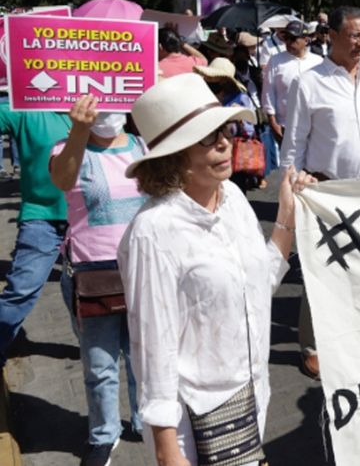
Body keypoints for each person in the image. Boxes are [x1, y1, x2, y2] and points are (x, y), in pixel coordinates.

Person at [117, 73, 314, 466]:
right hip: (197, 417)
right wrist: (166, 448)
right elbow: (153, 344)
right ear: (173, 154)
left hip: (252, 397)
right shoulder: (154, 231)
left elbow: (260, 284)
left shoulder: (233, 199)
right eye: (206, 137)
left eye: (224, 129)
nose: (224, 141)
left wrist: (288, 212)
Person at [282, 6, 360, 378]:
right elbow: (294, 142)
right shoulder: (310, 82)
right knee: (324, 269)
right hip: (326, 191)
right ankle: (314, 345)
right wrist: (291, 189)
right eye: (353, 35)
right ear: (331, 36)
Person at [48, 96, 146, 466]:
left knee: (142, 358)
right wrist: (79, 130)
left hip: (142, 272)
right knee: (100, 363)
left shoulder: (143, 146)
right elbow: (62, 179)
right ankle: (104, 434)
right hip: (93, 275)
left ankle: (145, 421)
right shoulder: (67, 147)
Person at [0, 103, 71, 368]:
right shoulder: (28, 110)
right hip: (42, 219)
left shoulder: (106, 111)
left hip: (92, 221)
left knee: (95, 297)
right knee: (21, 289)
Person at [194, 58, 263, 191]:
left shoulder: (239, 99)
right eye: (208, 78)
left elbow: (249, 130)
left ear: (224, 81)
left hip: (233, 154)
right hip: (209, 153)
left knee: (234, 191)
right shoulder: (203, 96)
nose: (208, 80)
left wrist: (235, 118)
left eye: (213, 78)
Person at [262, 20, 323, 145]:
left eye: (293, 38)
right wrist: (273, 122)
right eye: (286, 38)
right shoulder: (275, 61)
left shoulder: (318, 62)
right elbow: (268, 93)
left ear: (306, 40)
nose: (288, 42)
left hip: (314, 127)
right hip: (285, 126)